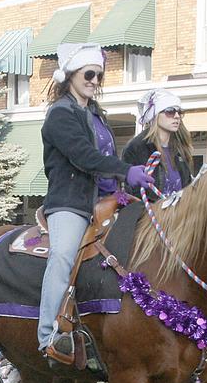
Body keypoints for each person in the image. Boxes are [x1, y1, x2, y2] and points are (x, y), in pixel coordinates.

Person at [38, 42, 154, 363]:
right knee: (62, 257)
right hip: (69, 203)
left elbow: (104, 158)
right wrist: (127, 170)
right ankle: (49, 335)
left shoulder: (94, 114)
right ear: (70, 74)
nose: (94, 80)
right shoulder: (60, 114)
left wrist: (117, 190)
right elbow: (84, 157)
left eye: (99, 76)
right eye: (89, 73)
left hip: (101, 201)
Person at [122, 89, 193, 195]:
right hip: (150, 210)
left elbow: (187, 187)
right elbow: (133, 193)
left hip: (179, 210)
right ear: (154, 115)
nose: (177, 116)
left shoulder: (180, 149)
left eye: (179, 112)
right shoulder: (136, 148)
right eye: (170, 111)